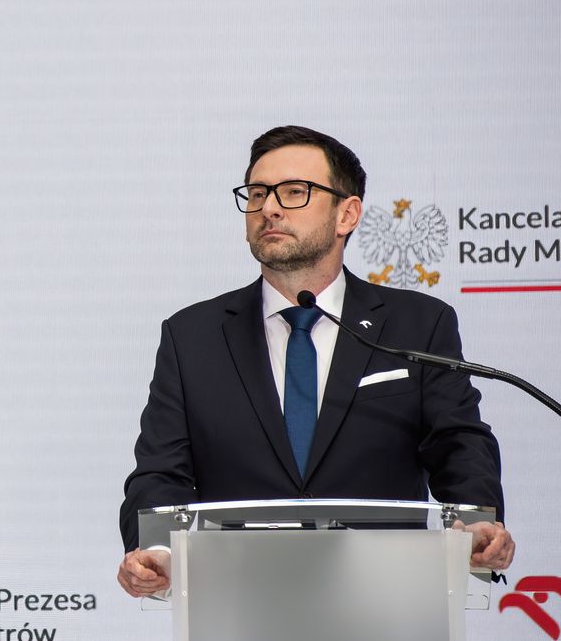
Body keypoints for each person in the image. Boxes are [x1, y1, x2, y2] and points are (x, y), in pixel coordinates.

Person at [117, 126, 514, 597]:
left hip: (387, 600)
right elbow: (161, 470)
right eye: (258, 193)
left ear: (347, 213)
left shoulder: (418, 326)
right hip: (238, 601)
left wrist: (474, 524)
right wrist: (160, 554)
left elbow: (458, 443)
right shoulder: (192, 336)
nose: (268, 207)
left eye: (294, 192)